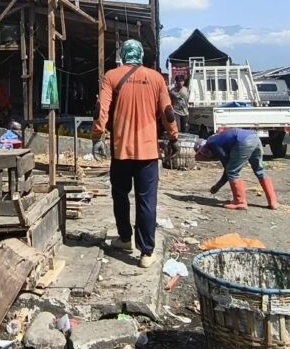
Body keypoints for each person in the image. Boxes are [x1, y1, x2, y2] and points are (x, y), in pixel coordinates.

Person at [92, 39, 179, 269]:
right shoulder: (156, 78)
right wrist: (173, 136)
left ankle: (124, 239)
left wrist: (97, 135)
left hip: (121, 151)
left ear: (123, 54)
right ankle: (146, 253)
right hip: (148, 152)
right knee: (147, 200)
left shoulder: (111, 76)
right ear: (141, 55)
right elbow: (167, 112)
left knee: (120, 196)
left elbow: (102, 109)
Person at [193, 128, 279, 210]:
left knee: (232, 171)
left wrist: (218, 186)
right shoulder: (217, 140)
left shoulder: (212, 143)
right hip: (254, 137)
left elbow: (228, 169)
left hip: (243, 140)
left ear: (202, 150)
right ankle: (273, 202)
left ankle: (240, 202)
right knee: (259, 170)